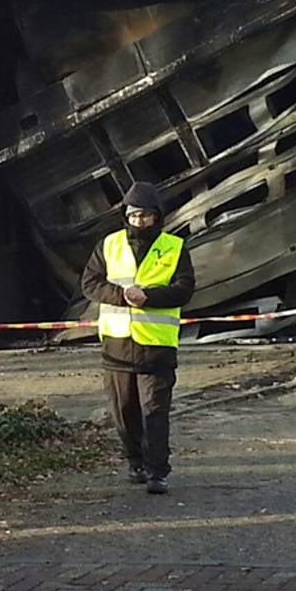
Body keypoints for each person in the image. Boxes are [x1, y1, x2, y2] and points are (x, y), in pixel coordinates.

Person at [80, 181, 195, 495]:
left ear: (157, 217)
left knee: (154, 411)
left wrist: (149, 297)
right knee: (124, 411)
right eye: (134, 215)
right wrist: (122, 295)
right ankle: (135, 463)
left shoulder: (174, 247)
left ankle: (158, 471)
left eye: (146, 215)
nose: (140, 221)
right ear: (125, 216)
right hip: (116, 346)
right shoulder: (109, 245)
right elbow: (90, 284)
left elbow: (184, 289)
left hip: (156, 347)